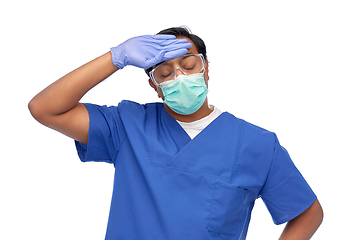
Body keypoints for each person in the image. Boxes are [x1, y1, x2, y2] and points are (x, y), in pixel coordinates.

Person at [28, 27, 323, 240]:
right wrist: (115, 57)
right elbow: (45, 108)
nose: (179, 76)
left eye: (189, 64)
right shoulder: (127, 125)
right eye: (165, 73)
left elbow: (308, 212)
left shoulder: (257, 144)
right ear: (154, 87)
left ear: (206, 70)